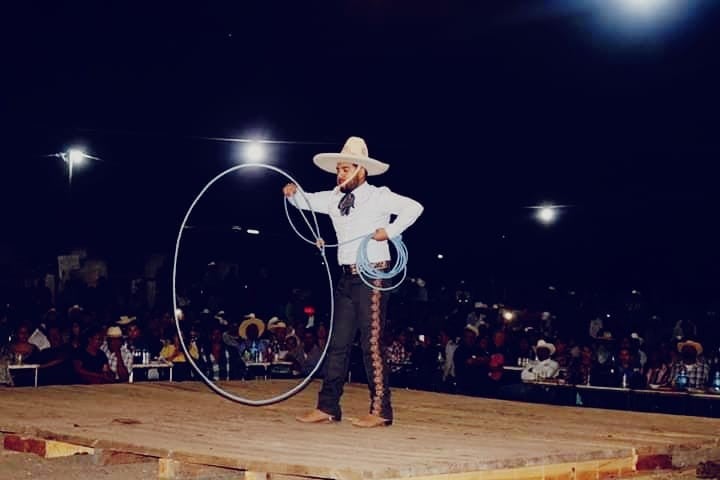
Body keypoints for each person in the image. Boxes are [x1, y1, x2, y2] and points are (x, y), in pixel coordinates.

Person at [284, 136, 423, 427]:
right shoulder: (335, 198)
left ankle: (381, 410)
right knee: (338, 342)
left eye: (345, 169)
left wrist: (390, 231)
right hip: (346, 277)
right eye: (339, 169)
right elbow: (307, 200)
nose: (339, 174)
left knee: (371, 342)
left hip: (372, 274)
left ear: (361, 170)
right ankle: (328, 406)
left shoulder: (379, 196)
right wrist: (293, 194)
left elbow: (414, 208)